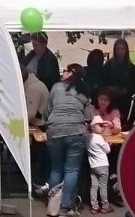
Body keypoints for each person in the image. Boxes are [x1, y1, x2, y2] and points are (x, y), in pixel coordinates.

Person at [40, 64, 94, 216]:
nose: (63, 72)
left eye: (66, 70)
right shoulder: (84, 92)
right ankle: (64, 207)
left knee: (56, 168)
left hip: (55, 130)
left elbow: (47, 112)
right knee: (72, 170)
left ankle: (53, 205)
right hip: (75, 132)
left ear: (73, 73)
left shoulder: (56, 87)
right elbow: (89, 116)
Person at [102, 39, 135, 129]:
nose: (119, 51)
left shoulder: (130, 67)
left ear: (126, 50)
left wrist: (126, 90)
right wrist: (111, 89)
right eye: (117, 49)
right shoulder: (109, 65)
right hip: (111, 98)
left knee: (122, 122)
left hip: (125, 98)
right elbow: (103, 82)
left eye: (122, 49)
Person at [86, 117, 114, 214]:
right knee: (103, 186)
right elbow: (107, 150)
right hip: (103, 165)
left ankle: (94, 206)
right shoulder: (99, 138)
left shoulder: (88, 137)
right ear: (93, 127)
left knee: (94, 186)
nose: (102, 127)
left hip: (93, 166)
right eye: (100, 125)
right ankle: (105, 206)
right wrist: (108, 143)